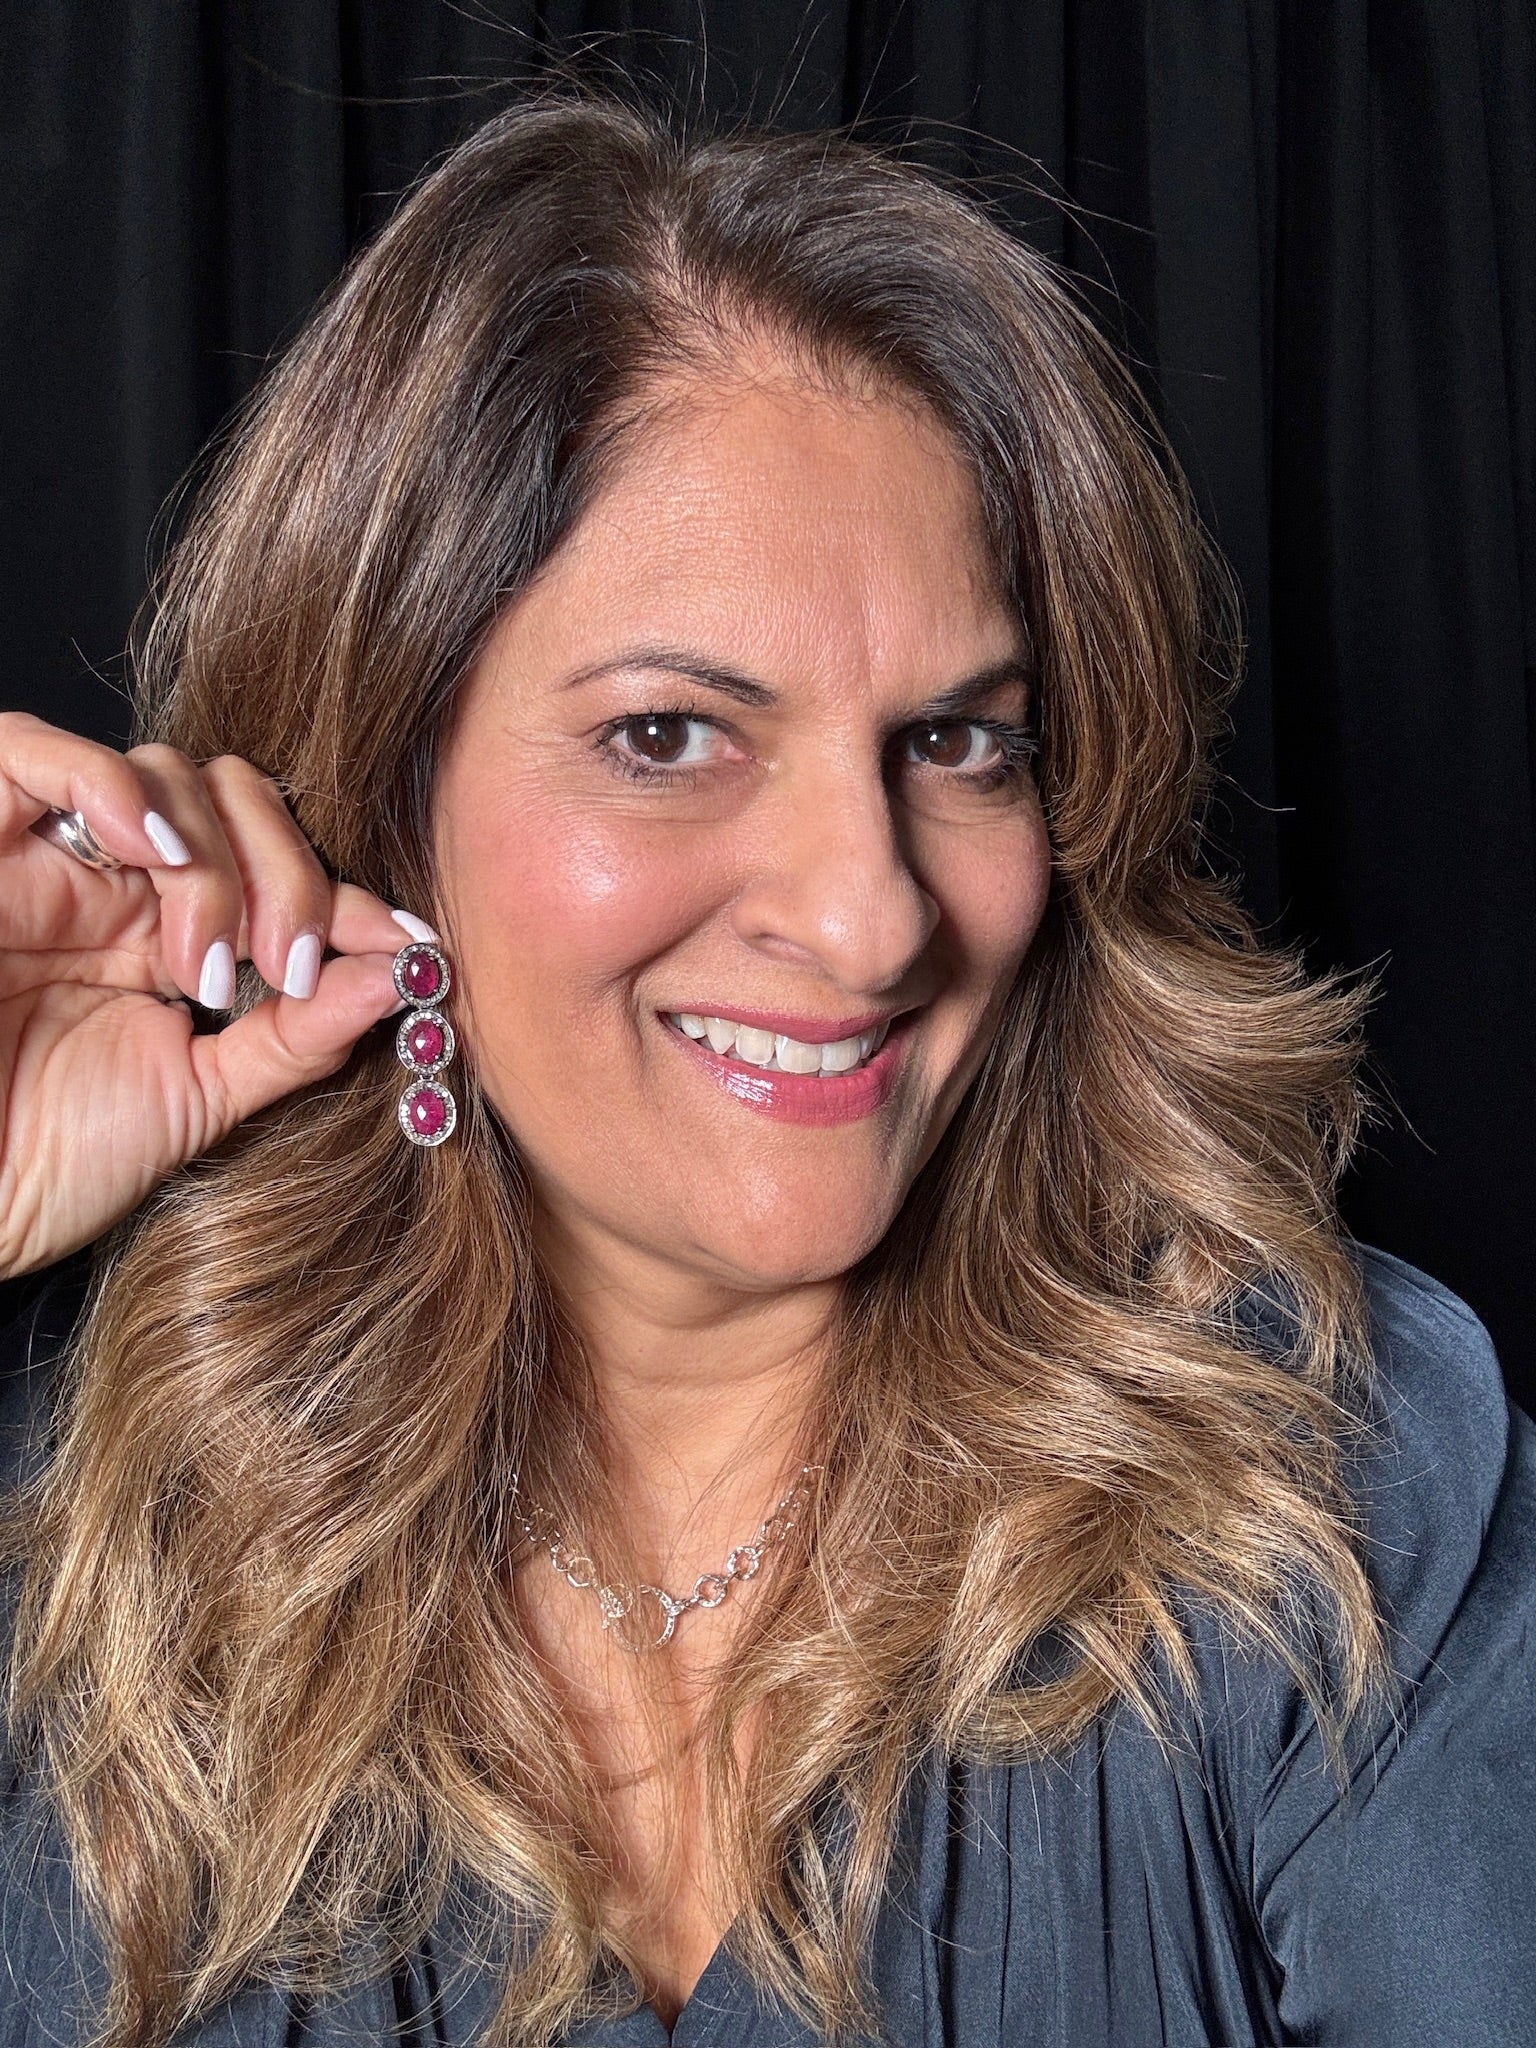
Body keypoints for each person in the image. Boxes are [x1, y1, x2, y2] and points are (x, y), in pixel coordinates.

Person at [1, 86, 1532, 2048]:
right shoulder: (79, 1531)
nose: (872, 915)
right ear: (384, 790)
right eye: (670, 736)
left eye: (957, 743)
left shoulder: (1340, 1486)